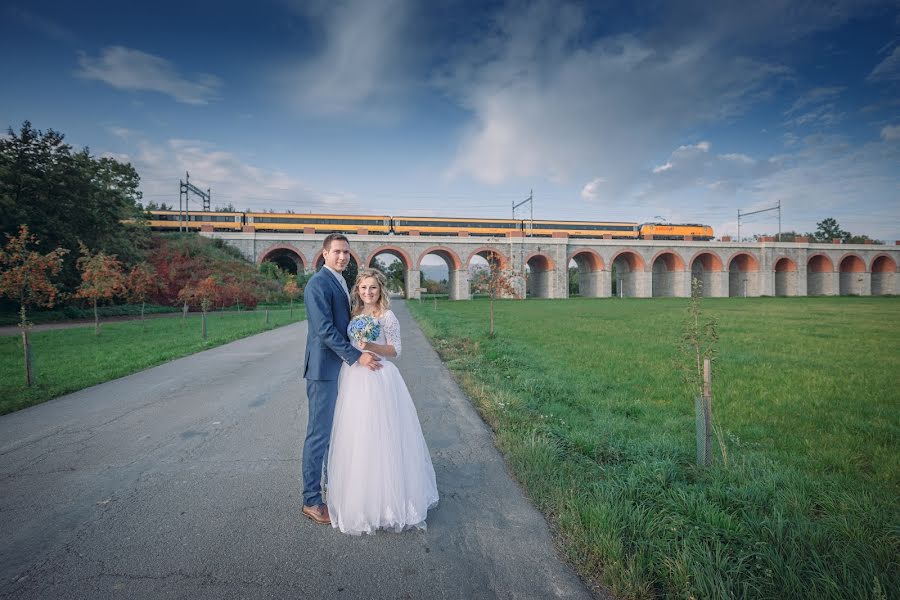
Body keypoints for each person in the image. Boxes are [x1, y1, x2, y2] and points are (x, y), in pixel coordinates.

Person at [326, 268, 439, 535]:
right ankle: (362, 499)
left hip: (379, 378)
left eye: (373, 288)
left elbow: (395, 350)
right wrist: (356, 351)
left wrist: (370, 346)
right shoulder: (354, 315)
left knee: (382, 437)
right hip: (354, 378)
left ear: (380, 290)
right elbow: (347, 346)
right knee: (357, 437)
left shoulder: (387, 316)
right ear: (357, 291)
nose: (368, 292)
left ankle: (389, 501)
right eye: (364, 288)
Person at [302, 234, 381, 525]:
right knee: (319, 436)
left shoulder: (338, 281)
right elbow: (324, 330)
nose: (342, 257)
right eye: (337, 252)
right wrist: (356, 355)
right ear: (324, 254)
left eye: (346, 252)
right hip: (323, 370)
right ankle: (311, 500)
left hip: (340, 369)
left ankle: (334, 489)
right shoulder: (317, 284)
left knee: (337, 433)